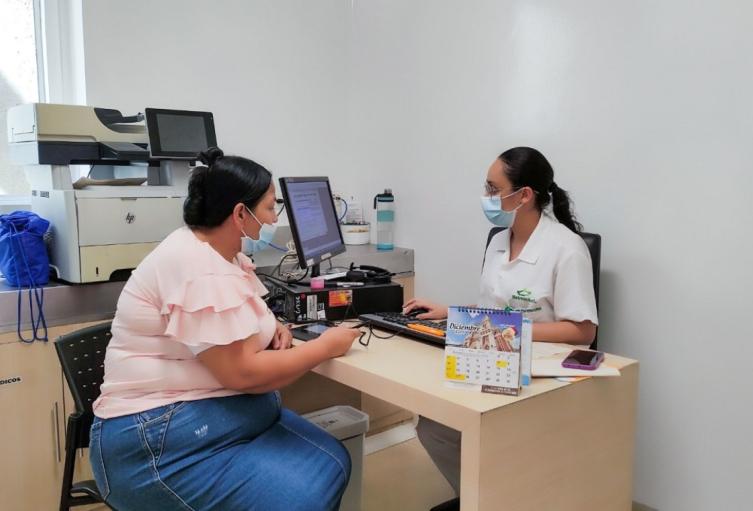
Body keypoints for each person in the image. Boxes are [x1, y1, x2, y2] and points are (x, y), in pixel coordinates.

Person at [90, 147, 363, 511]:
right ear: (239, 213)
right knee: (303, 495)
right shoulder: (196, 264)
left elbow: (231, 319)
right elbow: (242, 373)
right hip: (157, 439)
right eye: (269, 207)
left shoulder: (221, 252)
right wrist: (326, 346)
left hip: (206, 417)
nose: (272, 218)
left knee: (331, 459)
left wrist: (272, 328)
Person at [403, 147, 598, 511]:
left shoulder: (566, 249)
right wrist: (451, 311)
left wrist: (509, 329)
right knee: (433, 425)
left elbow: (582, 331)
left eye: (494, 190)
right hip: (494, 360)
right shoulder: (498, 241)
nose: (487, 198)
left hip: (539, 373)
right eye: (486, 188)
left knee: (453, 426)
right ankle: (488, 498)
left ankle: (499, 497)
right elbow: (496, 311)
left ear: (524, 195)